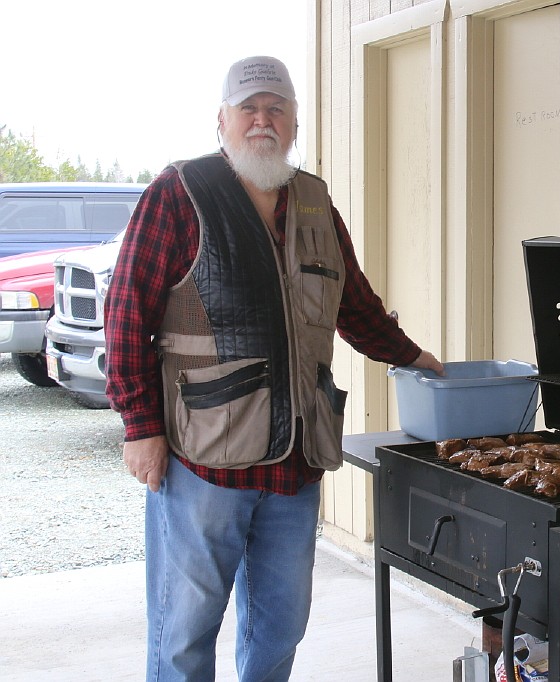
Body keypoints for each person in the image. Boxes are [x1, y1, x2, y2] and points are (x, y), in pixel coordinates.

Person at [104, 55, 444, 681]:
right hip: (201, 461)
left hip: (296, 462)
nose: (263, 121)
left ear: (293, 124)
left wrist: (417, 358)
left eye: (276, 109)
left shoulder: (314, 203)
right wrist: (140, 425)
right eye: (249, 109)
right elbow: (126, 311)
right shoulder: (179, 194)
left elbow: (355, 305)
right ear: (223, 122)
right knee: (184, 629)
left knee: (281, 626)